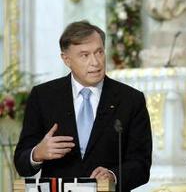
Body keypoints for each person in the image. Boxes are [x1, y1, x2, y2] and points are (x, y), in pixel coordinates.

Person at [14, 20, 152, 191]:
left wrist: (112, 176)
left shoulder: (131, 99)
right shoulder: (43, 96)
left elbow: (141, 164)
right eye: (85, 55)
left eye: (99, 52)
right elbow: (21, 162)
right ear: (66, 59)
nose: (95, 62)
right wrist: (37, 153)